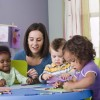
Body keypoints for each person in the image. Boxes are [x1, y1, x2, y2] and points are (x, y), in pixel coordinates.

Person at [60, 35, 100, 100]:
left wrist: (72, 86)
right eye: (69, 62)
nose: (71, 65)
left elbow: (89, 80)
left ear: (83, 55)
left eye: (73, 61)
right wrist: (63, 83)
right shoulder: (79, 69)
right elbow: (74, 80)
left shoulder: (90, 67)